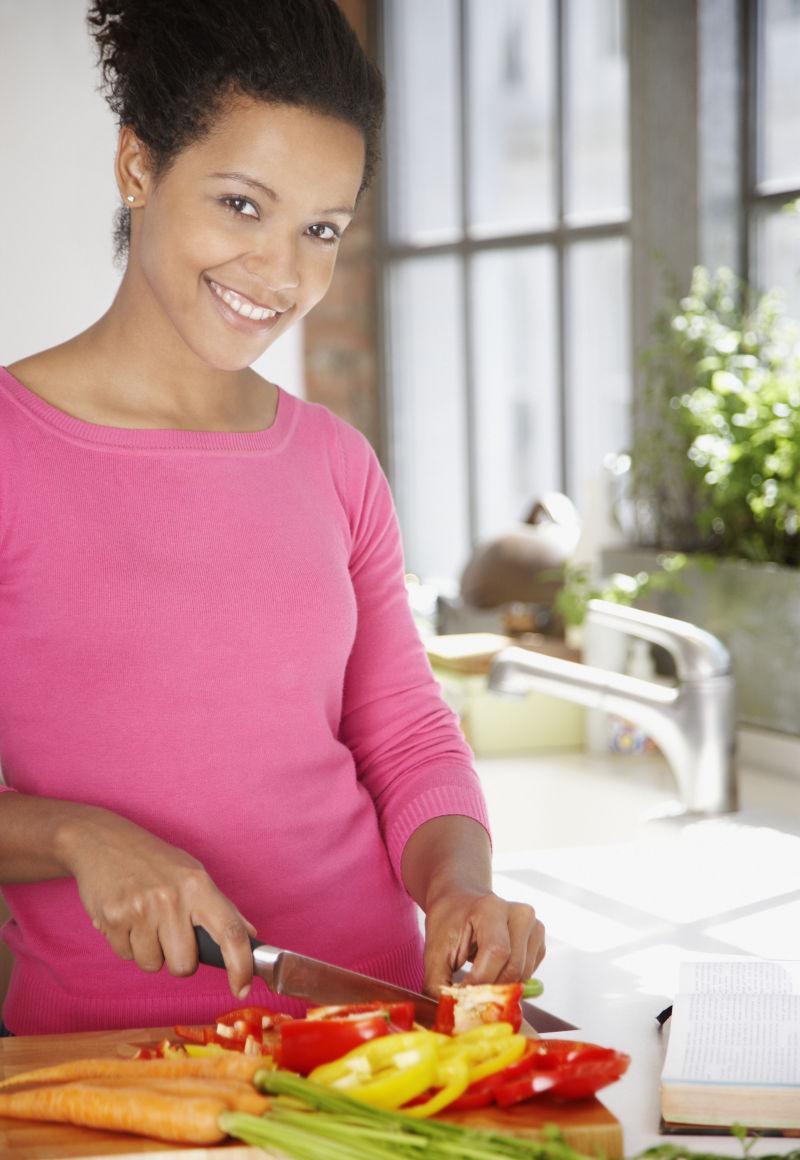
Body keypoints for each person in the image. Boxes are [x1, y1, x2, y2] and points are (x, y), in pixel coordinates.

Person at [0, 0, 545, 1037]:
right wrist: (79, 834)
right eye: (242, 205)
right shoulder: (10, 448)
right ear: (137, 167)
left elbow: (402, 731)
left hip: (365, 1030)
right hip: (109, 1061)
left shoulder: (336, 463)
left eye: (321, 228)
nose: (283, 273)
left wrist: (456, 885)